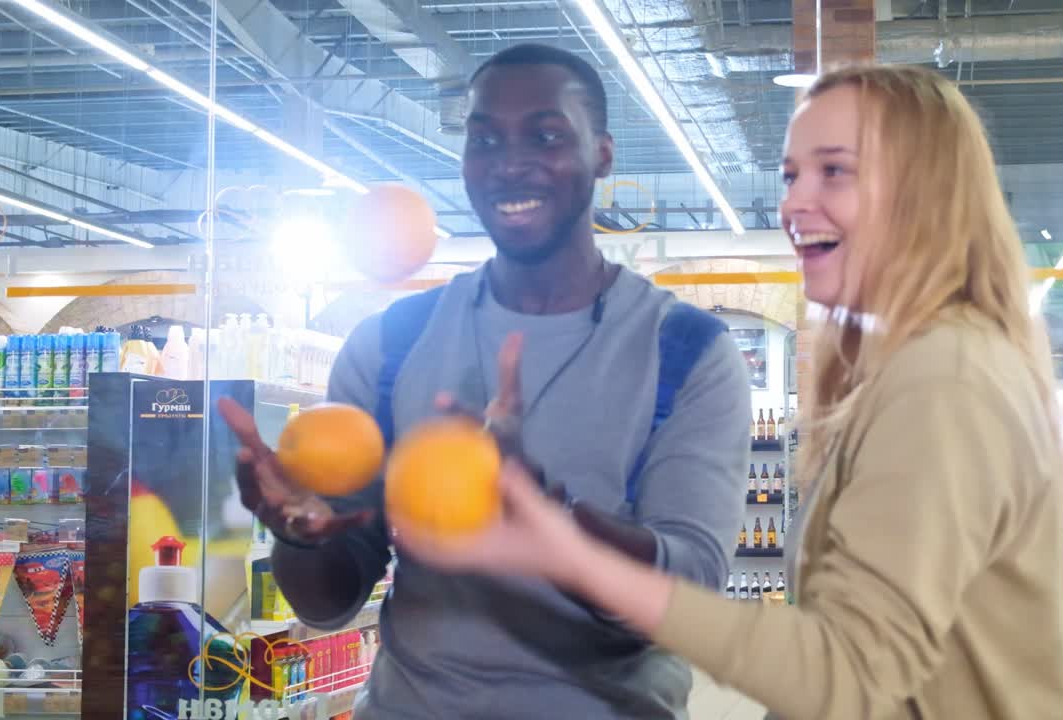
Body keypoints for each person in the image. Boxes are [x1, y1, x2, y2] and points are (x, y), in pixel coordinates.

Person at [392, 64, 1063, 720]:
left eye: (834, 171)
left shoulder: (945, 379)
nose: (794, 203)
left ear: (927, 192)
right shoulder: (914, 369)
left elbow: (847, 676)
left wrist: (578, 559)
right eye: (791, 174)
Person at [218, 43, 752, 719]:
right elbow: (327, 603)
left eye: (547, 134)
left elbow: (692, 598)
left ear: (604, 153)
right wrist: (298, 533)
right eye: (485, 139)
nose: (509, 162)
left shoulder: (685, 352)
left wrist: (553, 524)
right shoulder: (390, 344)